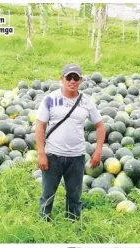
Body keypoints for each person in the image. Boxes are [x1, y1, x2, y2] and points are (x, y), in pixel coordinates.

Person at [35, 63, 105, 221]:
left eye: (76, 77)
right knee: (47, 195)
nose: (72, 81)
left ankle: (73, 225)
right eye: (69, 77)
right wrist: (41, 153)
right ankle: (42, 225)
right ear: (62, 79)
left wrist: (98, 150)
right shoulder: (50, 99)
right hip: (53, 155)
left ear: (80, 80)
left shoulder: (86, 101)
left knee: (74, 196)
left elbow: (100, 125)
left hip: (77, 156)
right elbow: (40, 127)